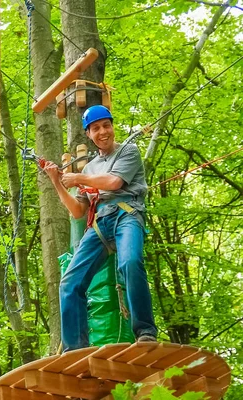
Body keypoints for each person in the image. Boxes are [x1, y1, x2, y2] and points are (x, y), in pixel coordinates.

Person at [43, 105, 157, 352]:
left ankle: (145, 331)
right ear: (89, 134)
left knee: (130, 262)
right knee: (70, 283)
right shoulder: (90, 167)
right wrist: (57, 183)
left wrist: (78, 179)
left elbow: (114, 182)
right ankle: (75, 349)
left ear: (113, 127)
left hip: (127, 214)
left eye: (106, 125)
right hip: (99, 223)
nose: (103, 132)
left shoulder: (129, 151)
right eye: (96, 128)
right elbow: (77, 210)